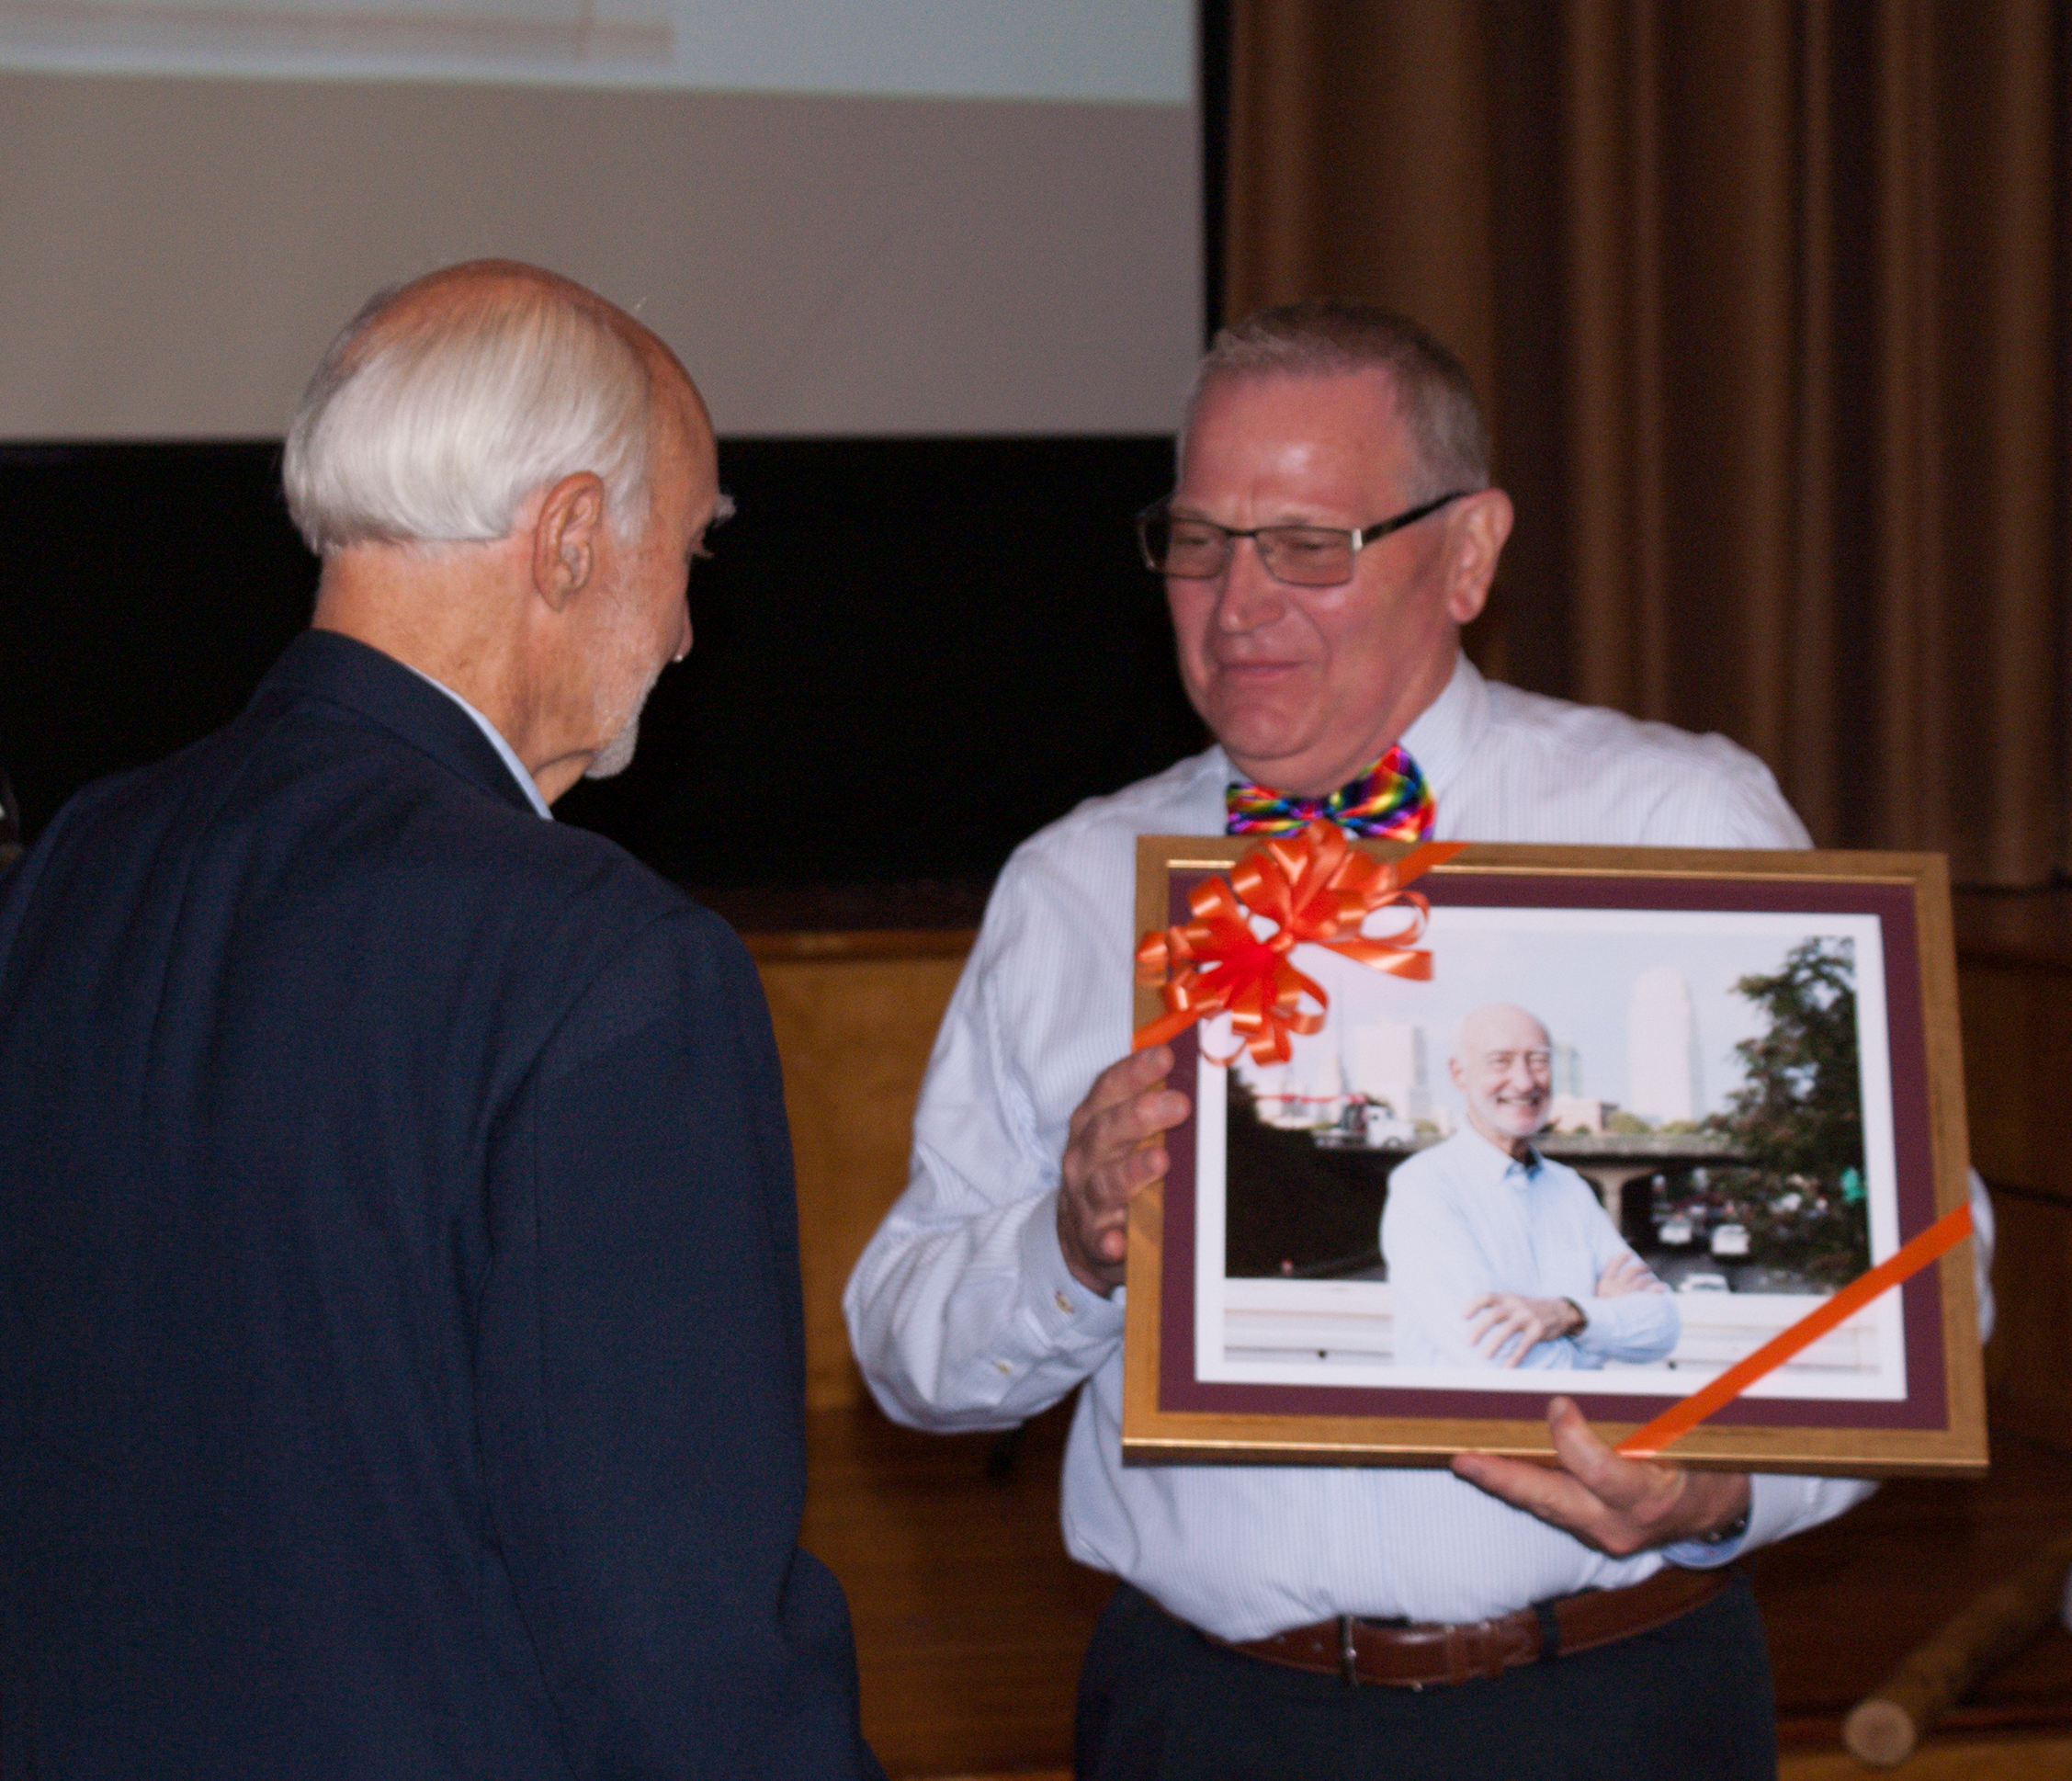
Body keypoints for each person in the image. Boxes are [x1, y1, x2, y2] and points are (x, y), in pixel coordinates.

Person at [847, 301, 1990, 1779]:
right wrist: (1065, 1247)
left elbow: (1921, 1280)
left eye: (1306, 544)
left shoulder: (1668, 826)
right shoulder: (1073, 886)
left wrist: (1722, 1485)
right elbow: (903, 1345)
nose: (1235, 601)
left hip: (1605, 1704)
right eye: (1196, 540)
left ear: (1467, 554)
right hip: (1202, 1718)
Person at [0, 263, 880, 1779]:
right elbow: (675, 1641)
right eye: (691, 549)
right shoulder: (609, 966)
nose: (682, 632)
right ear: (571, 539)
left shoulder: (88, 856)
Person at [1383, 1003, 1676, 1371]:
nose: (1524, 1082)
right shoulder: (1423, 1188)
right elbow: (1493, 1356)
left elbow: (1663, 1328)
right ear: (1459, 1073)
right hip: (1470, 1427)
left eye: (1538, 1061)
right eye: (1501, 1062)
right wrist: (1598, 1332)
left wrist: (1569, 1314)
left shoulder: (1570, 1189)